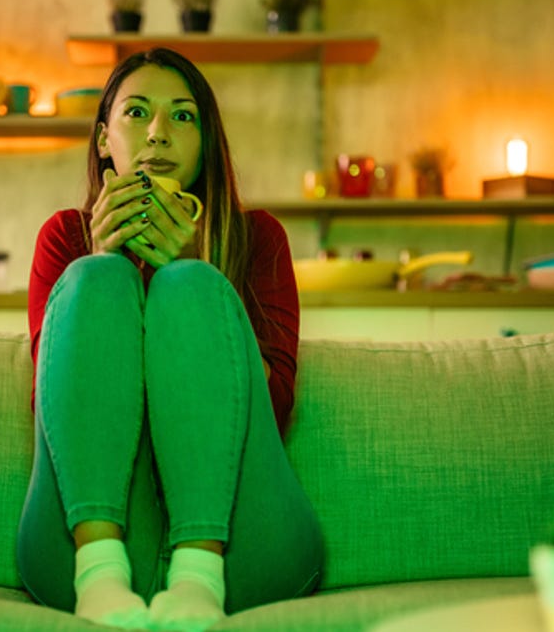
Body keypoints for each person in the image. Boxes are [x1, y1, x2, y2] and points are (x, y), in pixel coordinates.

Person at [16, 47, 324, 632]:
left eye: (183, 116)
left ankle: (198, 574)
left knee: (187, 286)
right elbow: (48, 408)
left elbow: (276, 406)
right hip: (74, 554)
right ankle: (100, 572)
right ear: (104, 138)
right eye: (137, 113)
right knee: (95, 277)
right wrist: (106, 268)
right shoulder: (65, 239)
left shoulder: (258, 239)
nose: (158, 133)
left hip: (246, 548)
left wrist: (196, 273)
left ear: (205, 142)